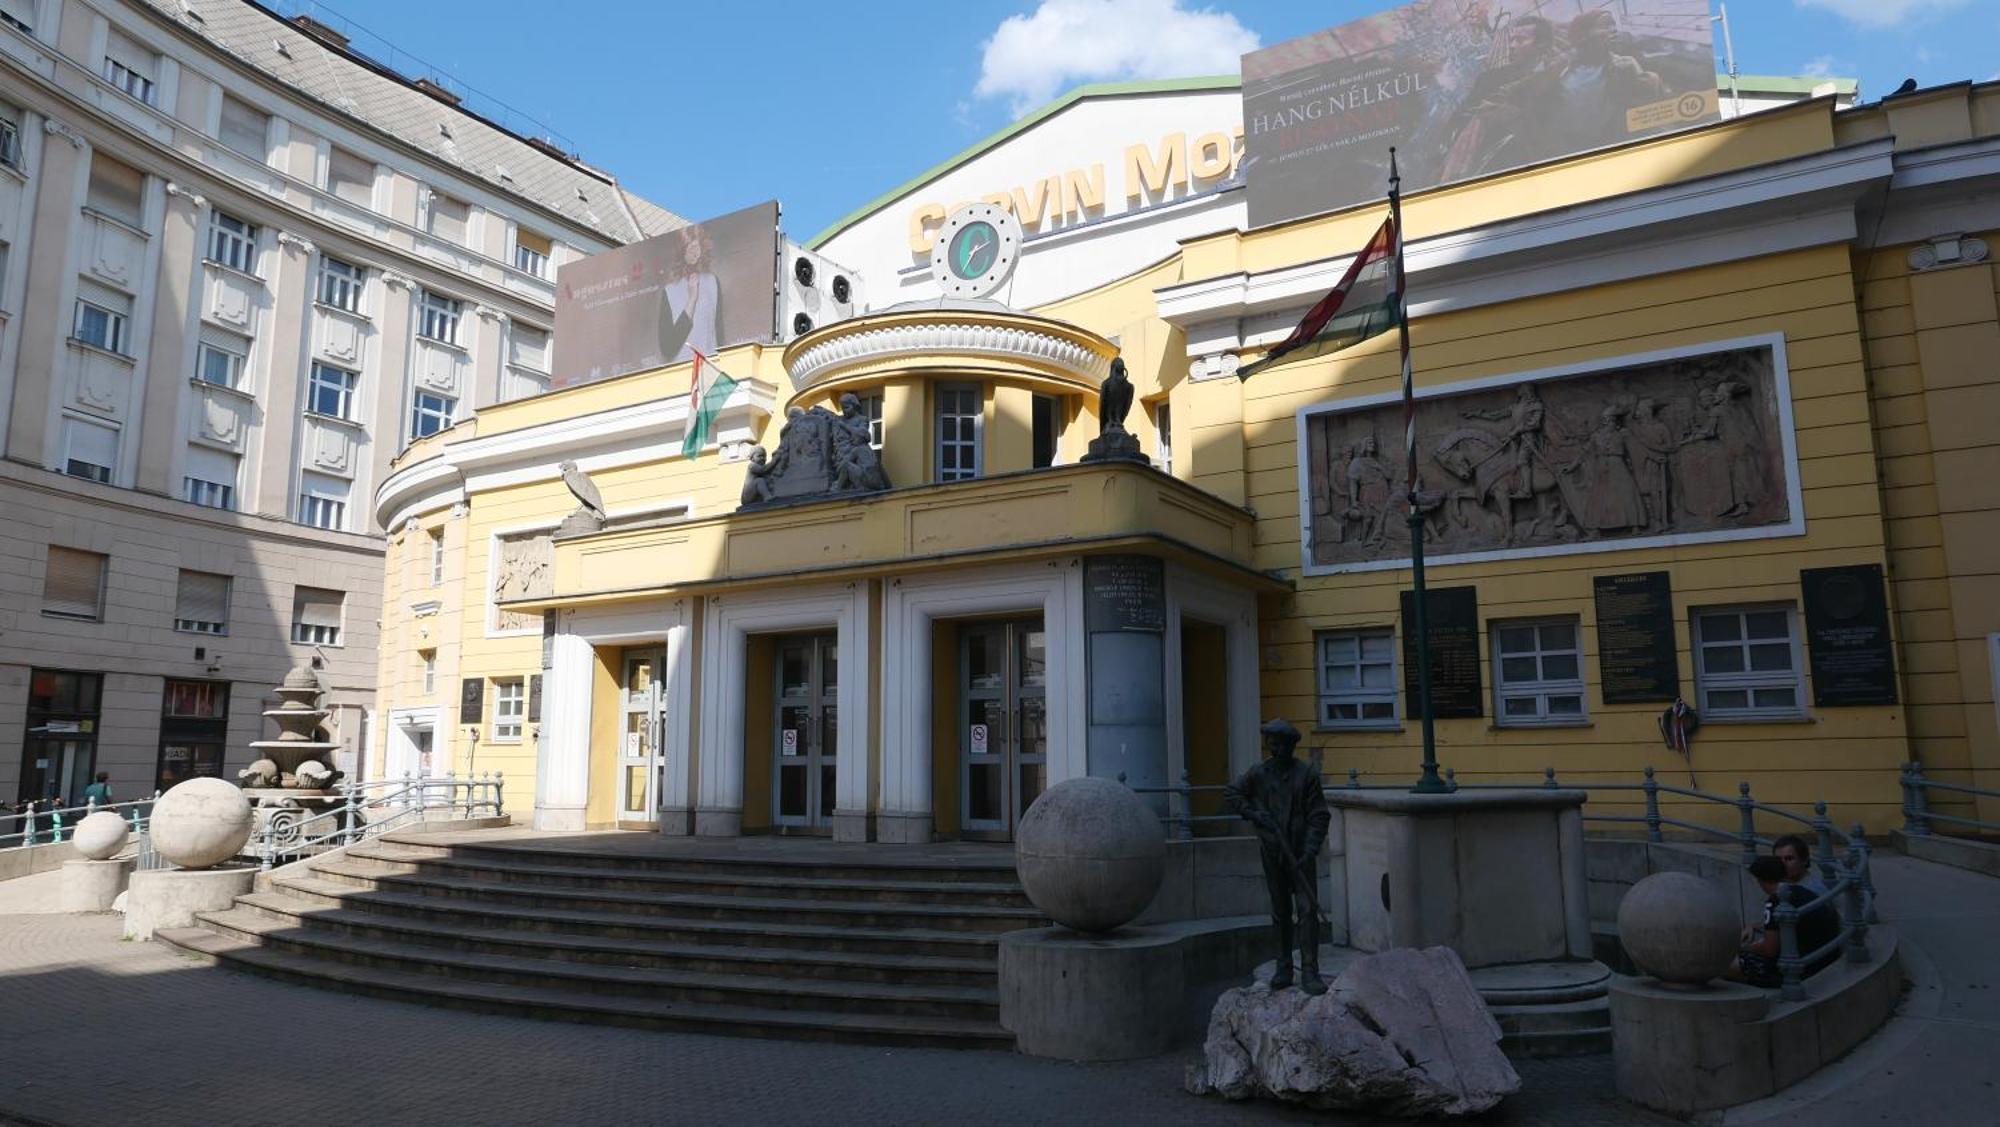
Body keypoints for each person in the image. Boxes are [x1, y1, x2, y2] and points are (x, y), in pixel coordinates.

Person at [1223, 719, 1331, 994]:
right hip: (1273, 851)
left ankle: (1310, 971)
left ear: (1291, 746)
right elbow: (1233, 793)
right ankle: (1284, 967)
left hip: (1300, 853)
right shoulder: (1258, 773)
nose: (1275, 750)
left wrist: (1309, 851)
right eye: (1272, 744)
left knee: (1307, 912)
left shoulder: (1306, 775)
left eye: (1281, 745)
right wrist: (1254, 814)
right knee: (1280, 910)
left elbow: (1319, 815)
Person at [1728, 856, 1840, 988]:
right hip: (1825, 958)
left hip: (1800, 970)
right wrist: (1754, 926)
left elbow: (1770, 949)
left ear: (1760, 880)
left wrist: (1741, 948)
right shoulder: (1804, 892)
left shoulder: (1775, 901)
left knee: (1721, 965)